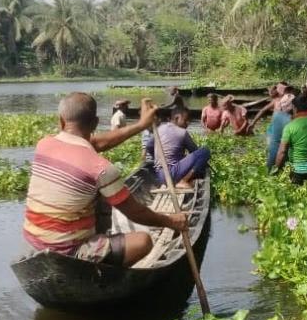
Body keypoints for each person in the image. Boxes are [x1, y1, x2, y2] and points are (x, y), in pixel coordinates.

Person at [22, 93, 187, 267]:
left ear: (61, 121)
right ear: (95, 123)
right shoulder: (100, 168)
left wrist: (141, 125)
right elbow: (136, 213)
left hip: (34, 243)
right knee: (143, 241)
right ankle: (100, 270)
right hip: (70, 253)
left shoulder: (44, 144)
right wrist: (171, 221)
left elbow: (96, 143)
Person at [145, 107, 212, 189]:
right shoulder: (182, 132)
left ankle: (174, 181)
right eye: (185, 120)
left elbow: (149, 146)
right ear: (177, 118)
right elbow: (195, 151)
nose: (187, 123)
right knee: (205, 151)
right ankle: (183, 180)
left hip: (160, 176)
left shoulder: (159, 129)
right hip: (172, 174)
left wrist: (158, 159)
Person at [273, 95, 307, 184]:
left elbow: (282, 152)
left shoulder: (290, 127)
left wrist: (276, 170)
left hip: (298, 173)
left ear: (294, 108)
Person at [265, 84, 296, 170]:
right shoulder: (291, 121)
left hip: (272, 156)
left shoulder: (276, 116)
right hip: (282, 158)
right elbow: (283, 151)